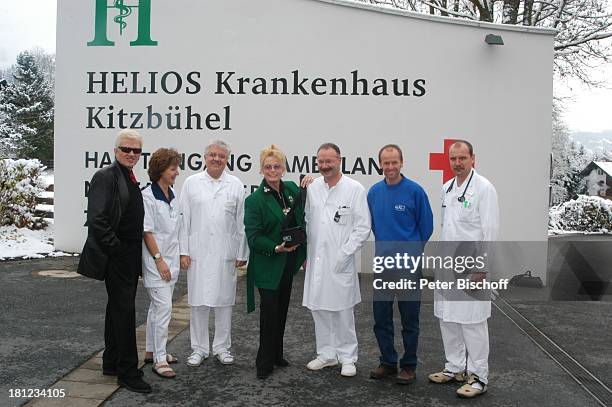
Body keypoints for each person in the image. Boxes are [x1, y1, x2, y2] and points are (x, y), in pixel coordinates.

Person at [77, 130, 151, 393]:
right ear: (116, 150)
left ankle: (111, 362)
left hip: (128, 255)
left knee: (117, 310)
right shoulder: (105, 176)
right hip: (118, 256)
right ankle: (128, 372)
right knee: (124, 312)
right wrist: (118, 249)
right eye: (126, 149)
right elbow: (96, 220)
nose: (131, 154)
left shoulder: (127, 176)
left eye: (136, 151)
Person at [428, 140, 499, 398]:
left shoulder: (484, 189)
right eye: (453, 159)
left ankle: (479, 377)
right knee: (447, 318)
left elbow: (490, 231)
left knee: (473, 322)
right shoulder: (447, 188)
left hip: (472, 268)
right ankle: (455, 368)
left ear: (472, 159)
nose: (457, 163)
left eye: (462, 158)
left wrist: (482, 268)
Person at [303, 143, 371, 377]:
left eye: (328, 161)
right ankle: (326, 354)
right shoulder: (313, 188)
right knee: (319, 309)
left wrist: (345, 253)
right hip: (317, 260)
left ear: (339, 160)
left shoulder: (354, 189)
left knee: (342, 311)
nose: (324, 166)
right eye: (320, 162)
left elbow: (363, 227)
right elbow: (308, 220)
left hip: (340, 260)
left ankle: (348, 357)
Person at [367, 144, 433, 384]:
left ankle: (409, 365)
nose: (390, 167)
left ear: (402, 162)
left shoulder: (415, 192)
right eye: (386, 163)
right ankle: (387, 362)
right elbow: (374, 225)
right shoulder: (374, 192)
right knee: (381, 318)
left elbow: (426, 228)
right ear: (380, 165)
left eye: (394, 162)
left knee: (409, 320)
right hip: (383, 266)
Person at [179, 140, 248, 367]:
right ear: (205, 157)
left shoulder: (236, 184)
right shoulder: (191, 183)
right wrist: (183, 251)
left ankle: (221, 347)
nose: (216, 159)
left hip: (224, 254)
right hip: (197, 253)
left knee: (224, 302)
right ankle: (198, 348)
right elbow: (184, 219)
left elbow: (241, 222)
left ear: (227, 159)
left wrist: (241, 251)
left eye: (221, 155)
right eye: (212, 155)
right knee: (198, 303)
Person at [244, 145, 307, 379]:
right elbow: (254, 237)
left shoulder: (290, 189)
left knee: (282, 311)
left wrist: (309, 182)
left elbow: (304, 198)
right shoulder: (254, 200)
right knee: (269, 314)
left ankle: (277, 354)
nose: (273, 170)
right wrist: (275, 247)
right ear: (261, 169)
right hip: (268, 265)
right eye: (268, 166)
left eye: (277, 166)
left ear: (284, 168)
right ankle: (264, 362)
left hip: (287, 264)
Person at [141, 148, 182, 379]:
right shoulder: (148, 196)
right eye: (173, 168)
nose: (177, 172)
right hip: (157, 264)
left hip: (171, 264)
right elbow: (147, 232)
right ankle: (159, 359)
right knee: (164, 308)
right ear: (160, 170)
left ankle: (150, 351)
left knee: (156, 309)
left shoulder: (173, 195)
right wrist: (159, 261)